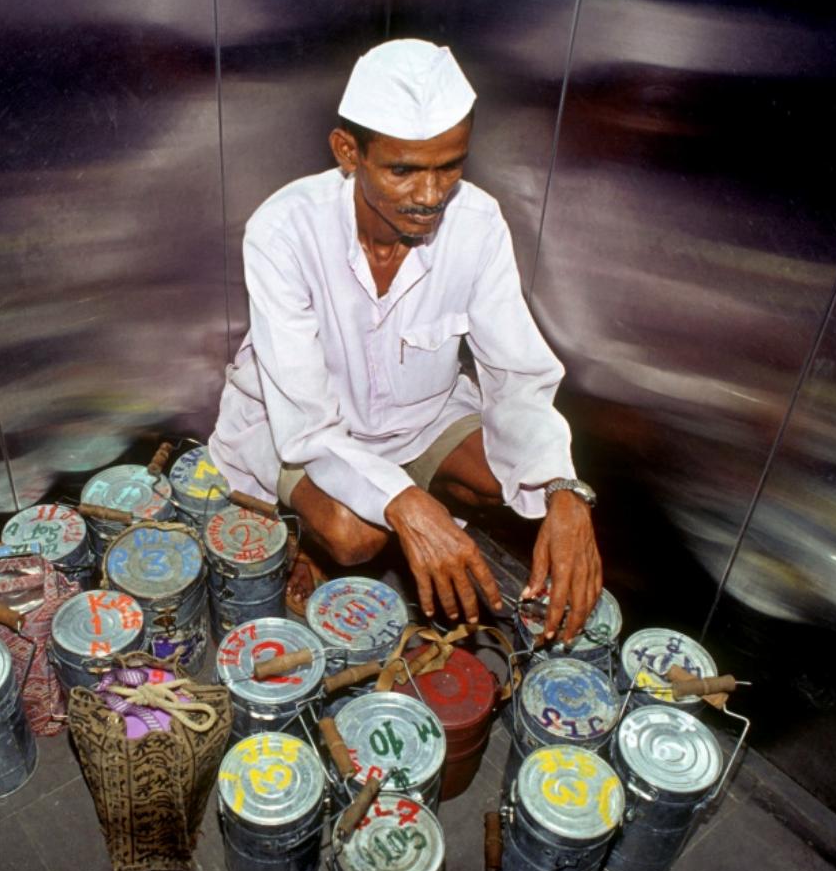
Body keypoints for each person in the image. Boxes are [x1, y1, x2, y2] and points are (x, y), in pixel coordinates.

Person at [207, 39, 603, 644]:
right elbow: (307, 428)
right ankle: (311, 534)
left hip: (419, 417)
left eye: (450, 165)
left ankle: (411, 518)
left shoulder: (477, 224)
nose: (431, 195)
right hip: (297, 427)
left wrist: (563, 490)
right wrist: (407, 506)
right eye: (403, 171)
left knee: (507, 479)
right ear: (348, 152)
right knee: (352, 533)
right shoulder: (283, 230)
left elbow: (517, 373)